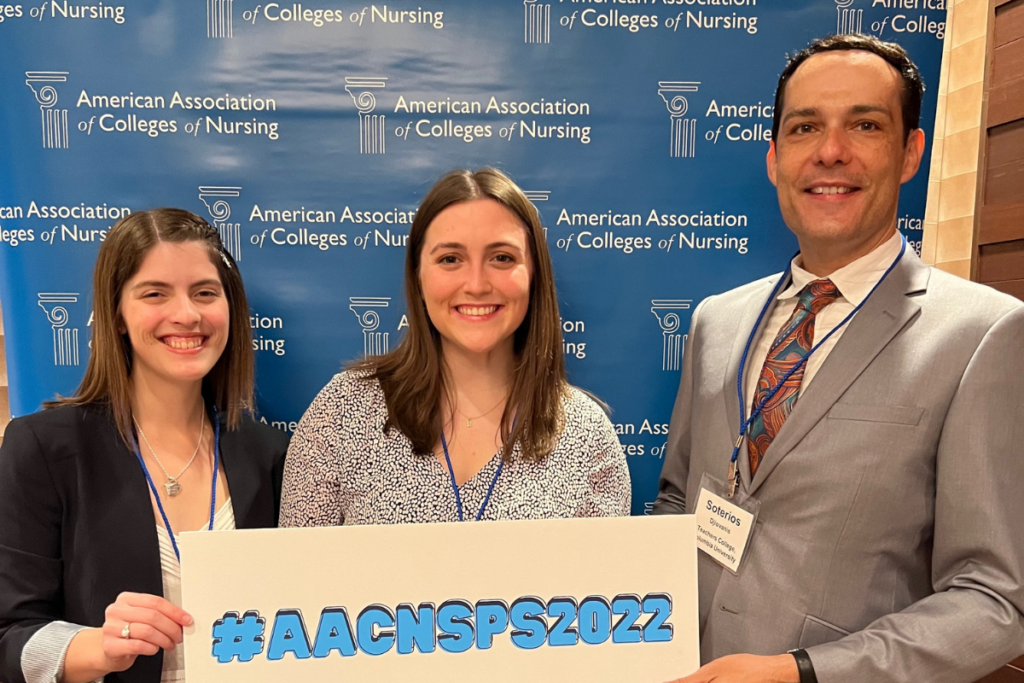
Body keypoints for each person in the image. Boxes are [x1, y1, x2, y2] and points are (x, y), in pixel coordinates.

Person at [654, 34, 1024, 683]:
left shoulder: (983, 336)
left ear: (911, 151)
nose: (830, 151)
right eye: (805, 128)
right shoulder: (717, 320)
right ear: (774, 157)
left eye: (865, 124)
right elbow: (680, 498)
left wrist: (805, 671)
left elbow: (994, 600)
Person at [0, 209, 290, 683]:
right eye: (155, 293)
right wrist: (93, 647)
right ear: (116, 314)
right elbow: (9, 636)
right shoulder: (44, 449)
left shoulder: (271, 455)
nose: (187, 314)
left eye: (205, 293)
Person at [280, 168, 629, 527]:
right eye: (450, 259)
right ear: (418, 275)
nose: (476, 284)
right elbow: (294, 576)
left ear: (534, 275)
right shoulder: (342, 412)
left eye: (502, 258)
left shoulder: (586, 436)